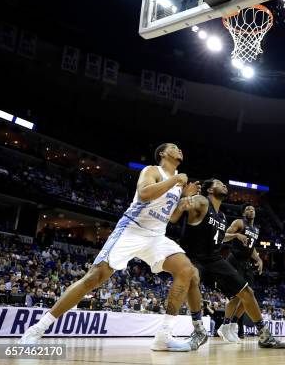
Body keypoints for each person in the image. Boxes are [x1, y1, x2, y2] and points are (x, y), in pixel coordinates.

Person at [20, 143, 205, 351]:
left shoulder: (179, 182)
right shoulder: (153, 171)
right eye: (174, 147)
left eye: (180, 147)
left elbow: (169, 218)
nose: (179, 149)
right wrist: (175, 181)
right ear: (163, 153)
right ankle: (37, 329)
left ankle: (163, 336)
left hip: (156, 236)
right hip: (132, 229)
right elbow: (144, 194)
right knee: (94, 277)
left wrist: (183, 202)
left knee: (187, 270)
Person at [181, 178, 285, 349]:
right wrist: (184, 194)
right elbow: (179, 210)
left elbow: (225, 237)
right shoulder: (203, 202)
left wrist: (259, 258)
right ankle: (200, 329)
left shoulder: (222, 216)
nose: (224, 185)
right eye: (219, 183)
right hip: (196, 257)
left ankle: (264, 335)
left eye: (253, 208)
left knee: (247, 293)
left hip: (215, 258)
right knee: (193, 280)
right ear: (209, 190)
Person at [222, 204, 263, 339]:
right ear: (244, 213)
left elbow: (252, 248)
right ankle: (225, 326)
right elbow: (222, 236)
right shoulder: (239, 222)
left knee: (249, 297)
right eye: (248, 209)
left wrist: (259, 259)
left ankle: (233, 325)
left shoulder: (256, 229)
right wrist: (235, 235)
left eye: (253, 209)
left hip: (246, 264)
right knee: (237, 296)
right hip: (234, 261)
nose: (251, 210)